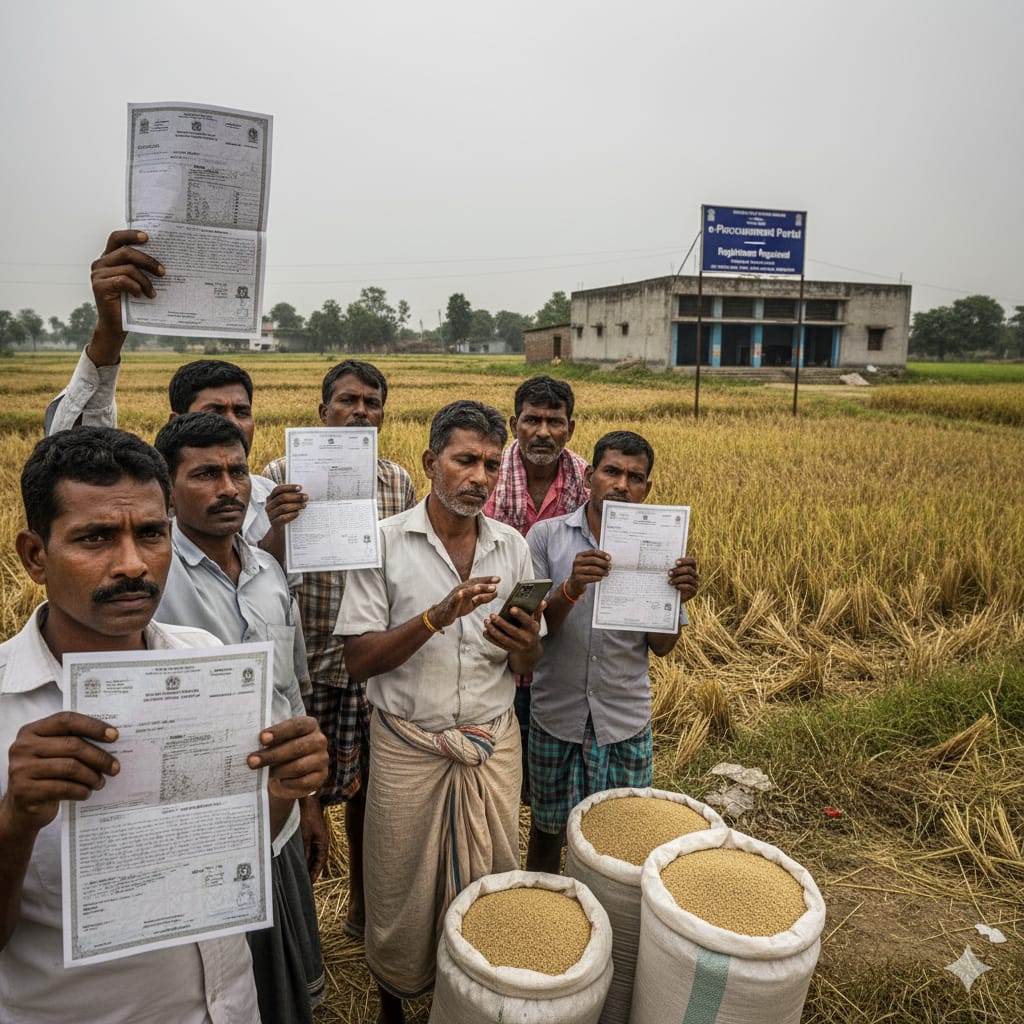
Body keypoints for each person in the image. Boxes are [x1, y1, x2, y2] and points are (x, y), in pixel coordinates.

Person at [0, 427, 326, 1022]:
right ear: (34, 556)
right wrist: (16, 820)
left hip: (229, 1006)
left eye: (150, 534)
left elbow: (227, 849)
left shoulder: (204, 660)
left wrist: (281, 791)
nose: (131, 564)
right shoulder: (4, 707)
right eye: (95, 537)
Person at [336, 400, 545, 1024]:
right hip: (409, 747)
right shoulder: (381, 544)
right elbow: (358, 661)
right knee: (398, 884)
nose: (478, 476)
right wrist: (437, 617)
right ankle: (394, 1002)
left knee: (491, 875)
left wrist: (524, 644)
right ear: (431, 463)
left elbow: (529, 655)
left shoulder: (511, 548)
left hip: (491, 744)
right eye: (464, 460)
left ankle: (474, 999)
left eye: (489, 463)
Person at [152, 413, 328, 1024]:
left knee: (276, 972)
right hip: (196, 826)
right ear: (167, 489)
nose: (228, 488)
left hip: (276, 818)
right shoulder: (151, 578)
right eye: (205, 474)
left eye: (237, 471)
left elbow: (292, 693)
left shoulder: (268, 572)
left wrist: (309, 803)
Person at [263, 358, 416, 938]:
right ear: (320, 409)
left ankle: (360, 902)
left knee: (368, 791)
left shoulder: (397, 482)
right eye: (348, 400)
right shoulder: (280, 475)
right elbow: (257, 571)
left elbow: (402, 564)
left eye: (371, 403)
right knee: (303, 796)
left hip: (369, 663)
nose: (359, 412)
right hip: (306, 666)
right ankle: (301, 921)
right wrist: (279, 524)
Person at [44, 229, 300, 560]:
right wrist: (110, 330)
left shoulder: (270, 498)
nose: (232, 424)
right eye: (214, 411)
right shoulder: (145, 497)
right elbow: (76, 454)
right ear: (175, 422)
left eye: (241, 411)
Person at [522, 430, 700, 873]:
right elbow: (534, 633)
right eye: (612, 471)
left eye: (635, 477)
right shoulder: (546, 538)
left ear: (647, 489)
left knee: (623, 844)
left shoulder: (663, 547)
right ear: (588, 476)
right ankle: (548, 924)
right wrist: (572, 587)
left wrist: (678, 598)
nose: (622, 484)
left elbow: (662, 648)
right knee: (547, 833)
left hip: (623, 721)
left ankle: (609, 933)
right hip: (556, 717)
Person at [483, 375, 589, 803]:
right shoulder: (487, 475)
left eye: (554, 421)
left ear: (570, 428)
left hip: (560, 655)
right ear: (514, 424)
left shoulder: (586, 482)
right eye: (532, 420)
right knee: (498, 783)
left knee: (550, 792)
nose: (543, 432)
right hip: (493, 651)